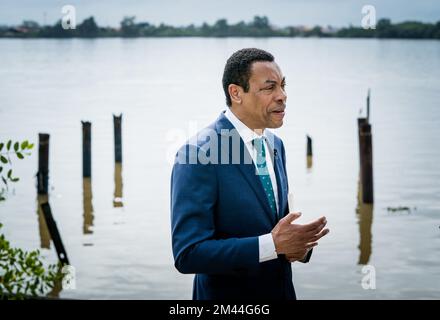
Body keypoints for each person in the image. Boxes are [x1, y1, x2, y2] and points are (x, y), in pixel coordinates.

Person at [170, 48, 329, 300]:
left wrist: (298, 247)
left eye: (283, 85)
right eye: (269, 87)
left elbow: (278, 228)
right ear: (236, 93)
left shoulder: (276, 145)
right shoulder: (197, 154)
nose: (282, 96)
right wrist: (272, 245)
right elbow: (188, 254)